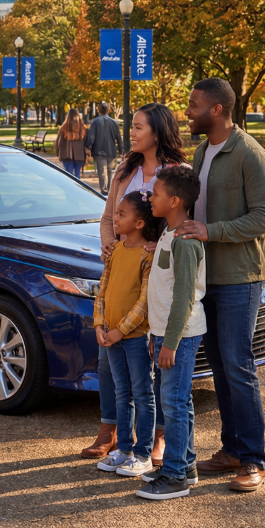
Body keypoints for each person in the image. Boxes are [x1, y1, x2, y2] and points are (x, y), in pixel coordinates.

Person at [177, 78, 265, 492]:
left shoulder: (250, 154)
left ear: (217, 110)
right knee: (219, 366)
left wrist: (210, 230)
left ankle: (254, 459)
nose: (188, 111)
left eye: (194, 105)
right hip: (207, 278)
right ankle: (232, 450)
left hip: (240, 278)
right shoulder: (202, 151)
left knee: (238, 366)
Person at [82, 102, 185, 462]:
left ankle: (155, 436)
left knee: (150, 358)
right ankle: (110, 429)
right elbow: (109, 215)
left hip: (158, 271)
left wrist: (160, 245)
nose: (132, 132)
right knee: (109, 358)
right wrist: (108, 243)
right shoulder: (126, 168)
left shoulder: (177, 172)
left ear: (157, 131)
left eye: (139, 127)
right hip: (120, 264)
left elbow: (181, 218)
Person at [136, 165, 206, 500]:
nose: (150, 197)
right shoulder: (168, 232)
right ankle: (186, 465)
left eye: (157, 193)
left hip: (182, 335)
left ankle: (176, 475)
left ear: (175, 200)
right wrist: (156, 334)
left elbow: (184, 297)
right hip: (166, 334)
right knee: (179, 402)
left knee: (174, 403)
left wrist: (171, 342)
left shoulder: (185, 243)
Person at [93, 190, 158, 478]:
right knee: (122, 393)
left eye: (121, 214)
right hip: (110, 336)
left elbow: (144, 301)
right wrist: (99, 325)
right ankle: (125, 449)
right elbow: (102, 291)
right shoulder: (114, 251)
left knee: (142, 393)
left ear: (140, 223)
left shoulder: (147, 256)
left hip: (133, 338)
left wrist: (121, 330)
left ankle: (143, 453)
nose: (114, 219)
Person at [86, 101, 123, 195]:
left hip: (98, 150)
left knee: (102, 171)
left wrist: (88, 147)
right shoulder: (114, 122)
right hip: (111, 150)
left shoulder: (95, 122)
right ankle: (109, 190)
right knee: (109, 170)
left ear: (98, 110)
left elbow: (91, 136)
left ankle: (104, 191)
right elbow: (118, 137)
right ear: (108, 110)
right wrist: (121, 150)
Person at [55, 108, 87, 179]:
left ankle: (70, 189)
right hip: (79, 154)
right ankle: (77, 189)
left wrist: (57, 152)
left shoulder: (64, 127)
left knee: (69, 175)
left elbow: (58, 141)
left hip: (66, 154)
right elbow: (86, 141)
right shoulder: (82, 128)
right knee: (77, 174)